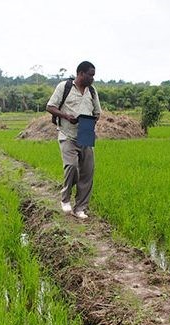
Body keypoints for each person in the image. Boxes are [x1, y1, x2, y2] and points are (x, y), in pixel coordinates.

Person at [46, 61, 102, 219]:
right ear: (81, 73)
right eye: (90, 75)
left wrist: (88, 121)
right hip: (67, 134)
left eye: (93, 75)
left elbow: (97, 112)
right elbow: (50, 106)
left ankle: (80, 208)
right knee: (71, 166)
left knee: (87, 171)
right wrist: (65, 116)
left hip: (85, 134)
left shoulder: (92, 91)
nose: (92, 78)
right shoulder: (64, 87)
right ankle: (65, 199)